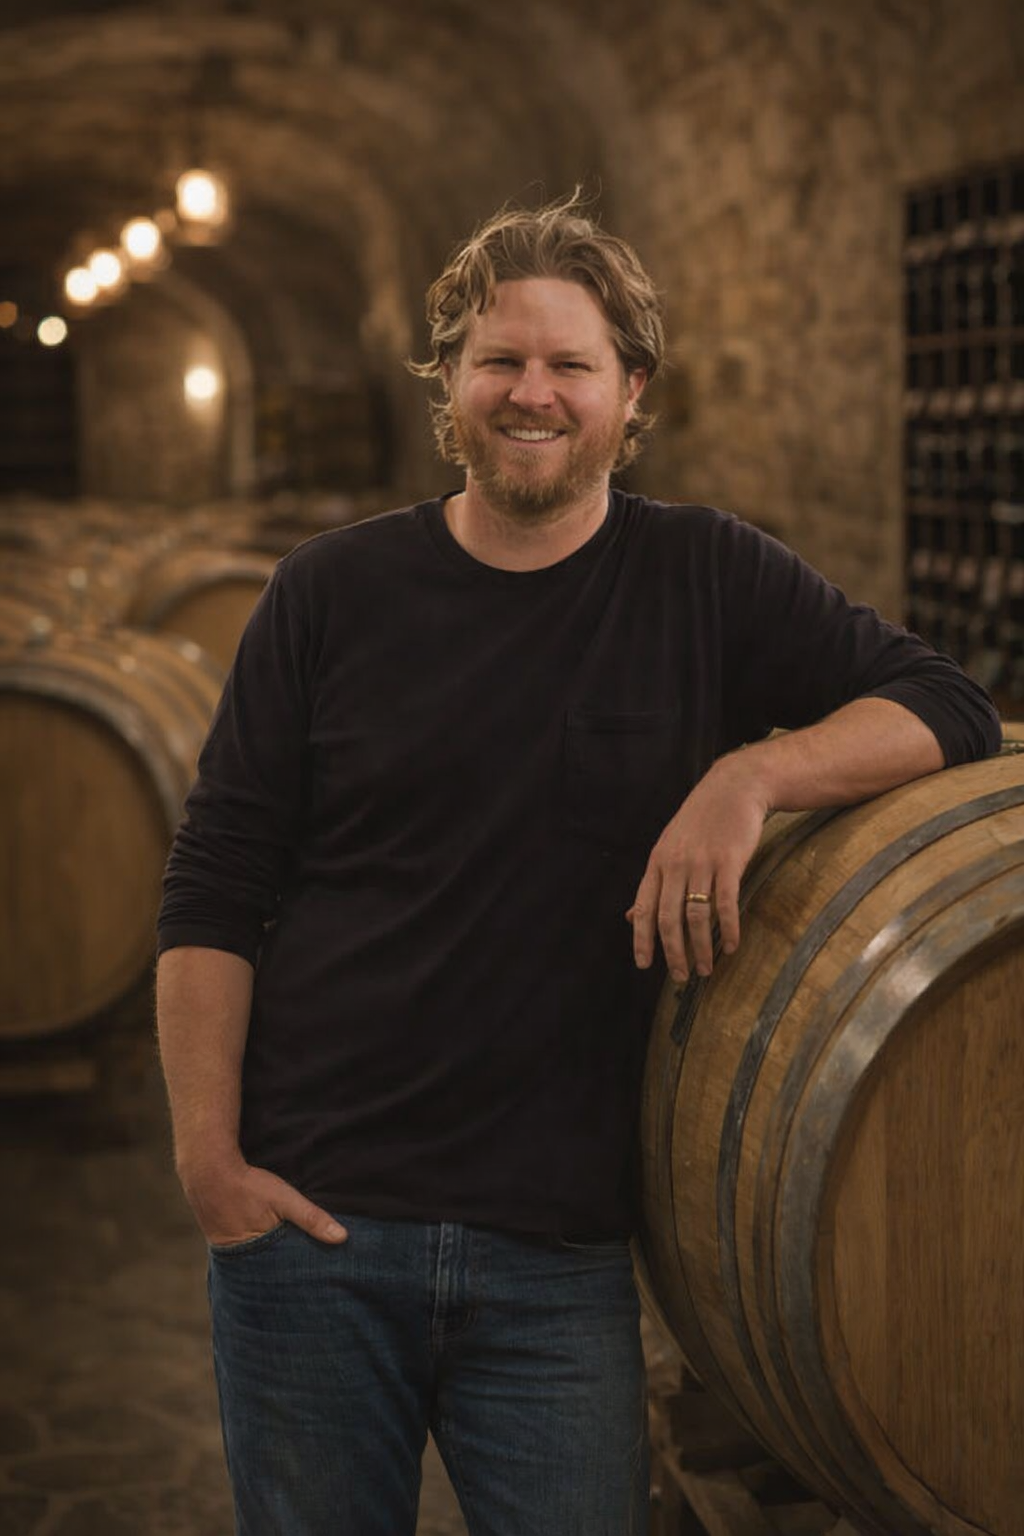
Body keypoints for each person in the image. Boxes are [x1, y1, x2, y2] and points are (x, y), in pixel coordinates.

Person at [155, 190, 1001, 1536]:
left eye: (570, 365)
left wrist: (752, 771)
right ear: (450, 383)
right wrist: (210, 1166)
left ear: (631, 391)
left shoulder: (704, 576)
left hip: (553, 1259)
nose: (531, 393)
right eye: (499, 360)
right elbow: (215, 883)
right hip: (314, 1229)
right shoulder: (327, 593)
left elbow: (946, 702)